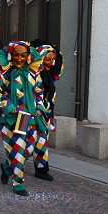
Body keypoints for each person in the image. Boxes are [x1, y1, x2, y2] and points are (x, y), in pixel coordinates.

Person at [0, 40, 49, 197]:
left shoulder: (33, 73)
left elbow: (39, 91)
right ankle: (18, 183)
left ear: (28, 56)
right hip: (9, 119)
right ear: (10, 55)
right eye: (16, 55)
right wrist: (11, 108)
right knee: (17, 151)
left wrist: (39, 107)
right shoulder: (4, 73)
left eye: (23, 55)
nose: (19, 59)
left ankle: (6, 167)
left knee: (28, 151)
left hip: (30, 118)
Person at [30, 41, 64, 181]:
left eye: (52, 59)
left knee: (42, 141)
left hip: (46, 116)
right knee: (29, 145)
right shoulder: (33, 76)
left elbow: (59, 65)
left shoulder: (50, 76)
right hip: (33, 115)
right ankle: (10, 167)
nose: (50, 63)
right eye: (47, 59)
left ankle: (41, 168)